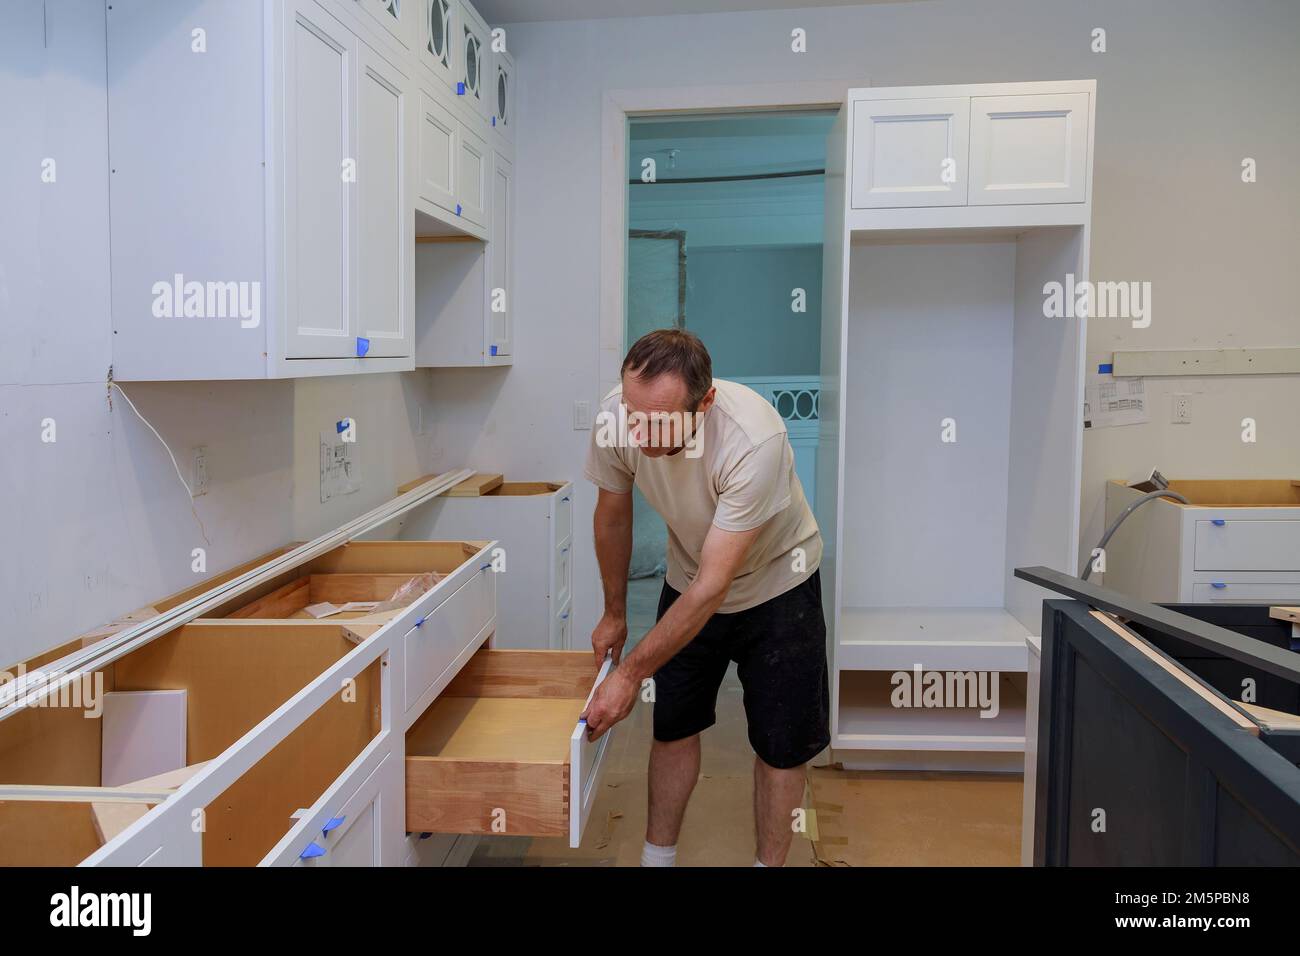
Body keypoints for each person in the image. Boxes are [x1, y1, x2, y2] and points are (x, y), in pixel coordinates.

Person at [581, 328, 828, 867]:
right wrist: (614, 613)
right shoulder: (615, 417)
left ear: (706, 401)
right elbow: (613, 512)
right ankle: (656, 859)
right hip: (690, 573)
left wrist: (629, 676)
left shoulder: (752, 439)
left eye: (660, 419)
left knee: (781, 746)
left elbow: (716, 585)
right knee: (673, 724)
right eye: (632, 411)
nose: (640, 432)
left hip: (777, 586)